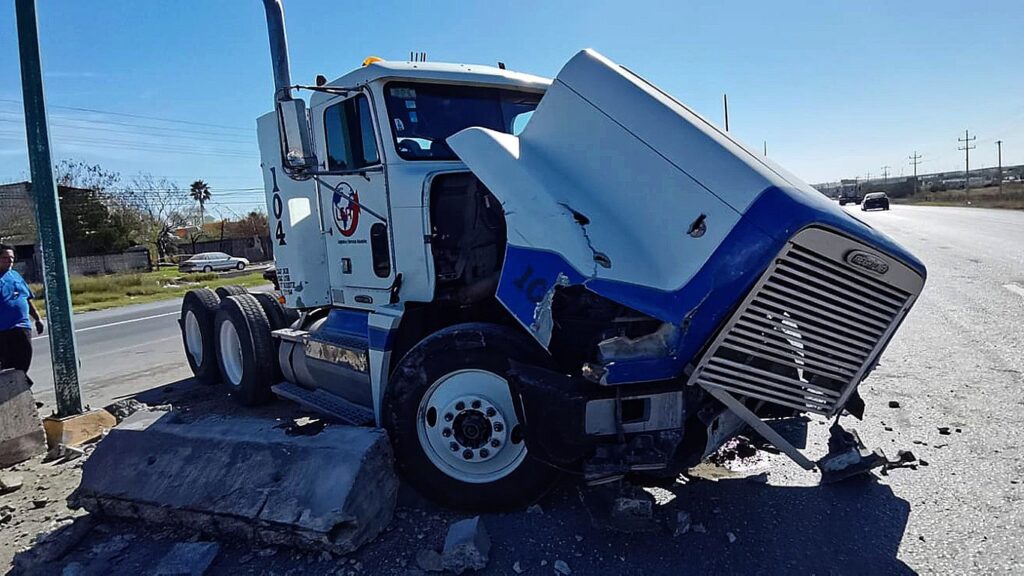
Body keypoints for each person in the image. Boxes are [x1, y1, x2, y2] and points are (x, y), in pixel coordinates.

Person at [0, 245, 44, 381]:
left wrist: (37, 318)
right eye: (5, 258)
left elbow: (26, 298)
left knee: (23, 361)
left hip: (22, 327)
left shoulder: (15, 275)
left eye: (11, 258)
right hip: (3, 330)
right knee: (6, 366)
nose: (9, 261)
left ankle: (21, 394)